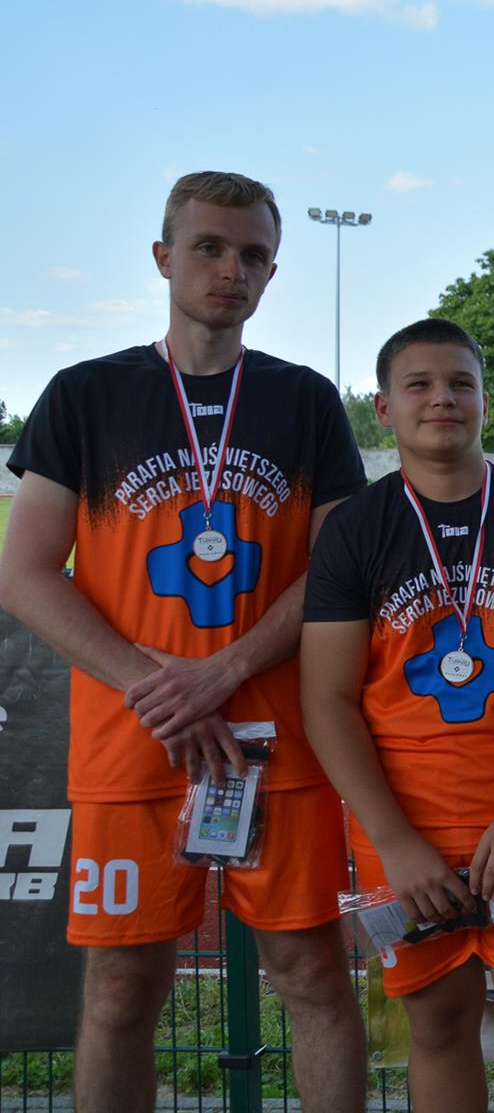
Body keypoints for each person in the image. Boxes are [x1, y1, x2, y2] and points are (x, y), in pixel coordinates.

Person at [0, 172, 367, 1113]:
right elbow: (25, 572)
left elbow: (336, 573)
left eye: (252, 254)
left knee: (313, 975)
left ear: (272, 272)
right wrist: (156, 685)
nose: (230, 268)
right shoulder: (85, 394)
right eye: (209, 247)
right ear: (163, 257)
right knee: (121, 991)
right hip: (136, 740)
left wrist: (224, 671)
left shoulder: (305, 400)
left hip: (274, 743)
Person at [300, 318, 494, 1113]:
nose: (442, 398)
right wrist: (394, 840)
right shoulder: (356, 528)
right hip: (405, 824)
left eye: (461, 383)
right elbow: (327, 698)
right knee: (437, 1024)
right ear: (383, 408)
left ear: (485, 400)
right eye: (420, 384)